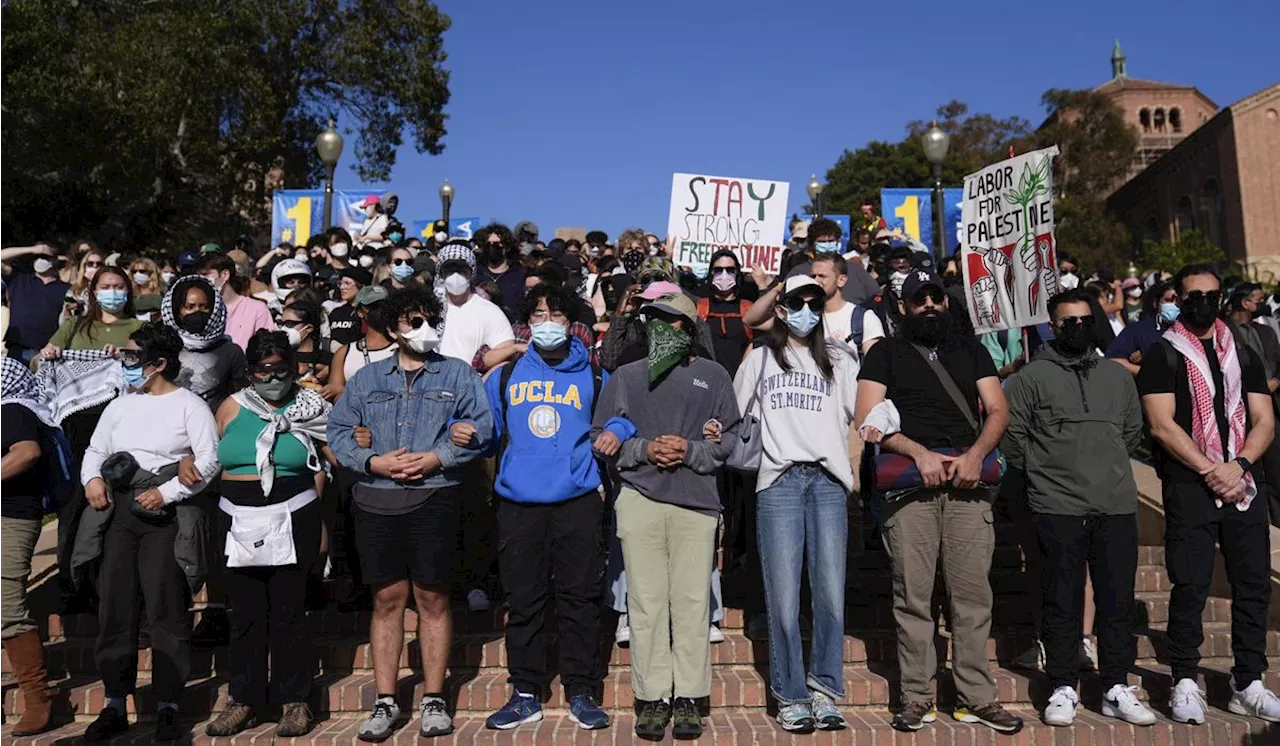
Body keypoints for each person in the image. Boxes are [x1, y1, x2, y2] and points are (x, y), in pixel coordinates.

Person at [854, 269, 1023, 735]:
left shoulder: (971, 350)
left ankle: (976, 698)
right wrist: (919, 453)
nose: (930, 304)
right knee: (914, 597)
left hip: (968, 484)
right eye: (919, 299)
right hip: (910, 488)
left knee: (973, 598)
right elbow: (867, 419)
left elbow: (998, 410)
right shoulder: (884, 353)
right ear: (902, 308)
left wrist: (976, 456)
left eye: (936, 298)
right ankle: (917, 696)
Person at [327, 286, 493, 741]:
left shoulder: (458, 374)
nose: (422, 328)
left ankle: (435, 698)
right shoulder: (366, 379)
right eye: (412, 320)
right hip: (376, 497)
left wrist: (439, 456)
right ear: (395, 327)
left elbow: (483, 427)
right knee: (386, 599)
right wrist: (372, 462)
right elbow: (338, 430)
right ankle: (386, 700)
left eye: (428, 319)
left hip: (435, 495)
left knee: (433, 598)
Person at [1002, 289, 1154, 727]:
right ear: (1052, 326)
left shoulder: (1118, 377)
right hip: (1057, 505)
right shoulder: (1031, 377)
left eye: (1085, 321)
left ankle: (1114, 686)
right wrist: (1052, 470)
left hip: (1115, 504)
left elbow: (1130, 433)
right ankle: (1062, 684)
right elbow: (1015, 441)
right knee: (1062, 599)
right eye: (1067, 322)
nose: (1077, 329)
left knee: (1117, 600)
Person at [592, 290, 740, 741]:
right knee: (646, 604)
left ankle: (690, 697)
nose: (658, 327)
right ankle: (653, 698)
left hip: (697, 502)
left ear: (688, 328)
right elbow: (601, 434)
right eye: (651, 318)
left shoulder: (713, 375)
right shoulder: (625, 375)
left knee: (693, 603)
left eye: (669, 320)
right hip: (639, 498)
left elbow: (729, 437)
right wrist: (644, 449)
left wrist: (694, 450)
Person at [1138, 264, 1280, 725]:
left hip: (1243, 482)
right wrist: (1209, 469)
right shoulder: (1163, 353)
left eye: (1212, 294)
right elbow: (1161, 424)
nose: (1205, 301)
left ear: (1222, 297)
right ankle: (1184, 679)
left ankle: (1248, 681)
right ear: (1179, 299)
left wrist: (1237, 466)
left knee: (1254, 583)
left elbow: (1263, 419)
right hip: (1190, 484)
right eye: (1194, 294)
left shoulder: (1243, 349)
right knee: (1190, 584)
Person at [480, 283, 623, 731]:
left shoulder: (598, 376)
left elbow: (622, 412)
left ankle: (581, 690)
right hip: (520, 503)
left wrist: (617, 428)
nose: (546, 324)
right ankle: (526, 691)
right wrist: (466, 429)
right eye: (537, 316)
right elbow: (486, 431)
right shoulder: (506, 375)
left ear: (572, 323)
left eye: (555, 315)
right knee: (524, 600)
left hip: (577, 501)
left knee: (579, 600)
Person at [79, 324, 221, 743]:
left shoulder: (189, 405)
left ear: (159, 363)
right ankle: (114, 703)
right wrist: (91, 480)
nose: (125, 363)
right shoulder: (120, 405)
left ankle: (168, 705)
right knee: (115, 609)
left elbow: (209, 461)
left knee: (166, 610)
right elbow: (95, 450)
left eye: (132, 356)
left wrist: (169, 491)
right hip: (120, 513)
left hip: (164, 516)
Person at [735, 276, 859, 733]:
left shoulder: (842, 360)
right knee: (783, 600)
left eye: (815, 302)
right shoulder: (762, 358)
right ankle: (791, 693)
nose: (807, 309)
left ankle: (825, 688)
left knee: (829, 595)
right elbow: (733, 414)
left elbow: (861, 415)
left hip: (827, 482)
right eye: (797, 302)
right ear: (782, 308)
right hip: (780, 481)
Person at [203, 330, 329, 738]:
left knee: (289, 612)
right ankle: (244, 699)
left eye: (281, 369)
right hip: (237, 517)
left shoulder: (311, 406)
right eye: (263, 370)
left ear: (293, 369)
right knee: (244, 614)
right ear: (251, 373)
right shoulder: (230, 407)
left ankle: (295, 700)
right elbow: (207, 457)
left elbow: (335, 456)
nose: (273, 377)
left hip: (294, 513)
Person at [0, 359, 57, 736]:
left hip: (12, 515)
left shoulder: (14, 408)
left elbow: (26, 453)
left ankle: (37, 699)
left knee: (7, 605)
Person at [434, 242, 515, 368]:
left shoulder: (489, 311)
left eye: (461, 270)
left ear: (471, 273)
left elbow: (506, 349)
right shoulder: (429, 310)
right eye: (449, 270)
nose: (455, 276)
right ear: (441, 274)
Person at [40, 266, 143, 362]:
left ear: (128, 291)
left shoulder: (141, 328)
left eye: (119, 287)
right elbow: (37, 362)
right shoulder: (75, 324)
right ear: (95, 293)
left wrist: (127, 355)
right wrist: (48, 354)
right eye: (105, 287)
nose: (113, 292)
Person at [1, 242, 71, 363]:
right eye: (36, 257)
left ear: (55, 259)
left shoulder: (66, 288)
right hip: (18, 350)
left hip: (48, 352)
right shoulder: (20, 279)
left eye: (44, 256)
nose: (39, 260)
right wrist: (32, 249)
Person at [326, 285, 396, 399]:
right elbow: (335, 394)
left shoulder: (403, 348)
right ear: (360, 312)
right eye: (373, 306)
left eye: (384, 306)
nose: (380, 311)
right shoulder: (344, 353)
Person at [197, 253, 274, 351]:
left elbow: (268, 349)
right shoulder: (200, 310)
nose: (201, 280)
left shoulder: (257, 309)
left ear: (225, 275)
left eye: (205, 275)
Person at [696, 250, 753, 379]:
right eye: (718, 270)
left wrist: (764, 285)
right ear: (711, 273)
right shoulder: (700, 306)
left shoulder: (748, 308)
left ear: (737, 273)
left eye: (730, 270)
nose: (724, 274)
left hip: (740, 382)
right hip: (705, 380)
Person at [1106, 282, 1179, 375]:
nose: (1174, 305)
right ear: (1156, 303)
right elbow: (1114, 359)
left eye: (1178, 301)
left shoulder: (1194, 330)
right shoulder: (1138, 330)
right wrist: (1145, 373)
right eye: (1168, 300)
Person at [476, 223, 527, 312]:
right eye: (488, 244)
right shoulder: (475, 274)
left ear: (507, 247)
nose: (492, 248)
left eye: (497, 244)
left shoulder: (519, 276)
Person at [328, 268, 372, 350]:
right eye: (340, 283)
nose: (342, 287)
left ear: (362, 286)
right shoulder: (336, 313)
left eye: (347, 283)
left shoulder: (370, 312)